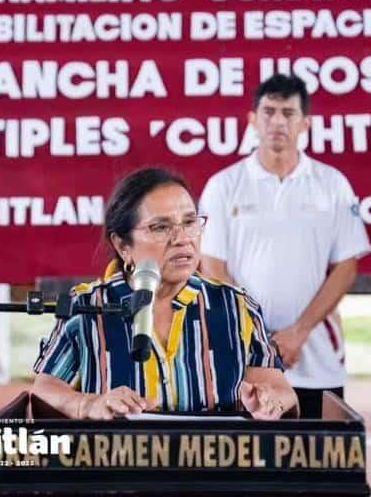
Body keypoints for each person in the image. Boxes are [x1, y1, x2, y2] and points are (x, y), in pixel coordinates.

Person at [32, 167, 297, 420]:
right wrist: (88, 404)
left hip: (216, 463)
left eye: (190, 222)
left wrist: (269, 400)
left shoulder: (237, 307)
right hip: (119, 462)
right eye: (160, 227)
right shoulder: (89, 307)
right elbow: (44, 391)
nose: (182, 238)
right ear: (123, 245)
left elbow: (283, 393)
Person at [199, 74, 371, 419]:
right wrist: (259, 335)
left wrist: (299, 331)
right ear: (253, 120)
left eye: (289, 113)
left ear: (305, 123)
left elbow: (346, 266)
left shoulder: (332, 184)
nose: (278, 122)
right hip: (244, 352)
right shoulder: (223, 186)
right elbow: (213, 268)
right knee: (248, 464)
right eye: (269, 111)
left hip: (315, 354)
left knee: (319, 462)